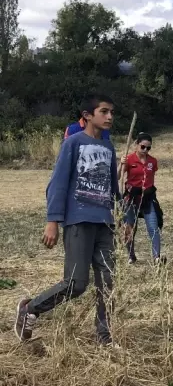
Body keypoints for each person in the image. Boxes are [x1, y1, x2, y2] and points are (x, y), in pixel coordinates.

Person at [14, 94, 120, 346]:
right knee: (76, 283)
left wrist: (123, 217)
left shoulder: (109, 147)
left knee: (107, 283)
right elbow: (57, 184)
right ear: (87, 115)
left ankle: (104, 337)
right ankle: (30, 309)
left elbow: (113, 188)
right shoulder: (73, 143)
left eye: (111, 112)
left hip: (104, 223)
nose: (109, 117)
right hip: (78, 220)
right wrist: (53, 220)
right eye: (104, 111)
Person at [119, 132, 164, 265]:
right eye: (143, 147)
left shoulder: (152, 161)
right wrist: (121, 164)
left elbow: (151, 176)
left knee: (153, 226)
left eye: (148, 148)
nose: (145, 150)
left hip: (148, 197)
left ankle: (156, 257)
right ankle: (131, 255)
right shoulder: (129, 159)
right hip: (132, 197)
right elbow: (118, 177)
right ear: (136, 144)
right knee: (129, 227)